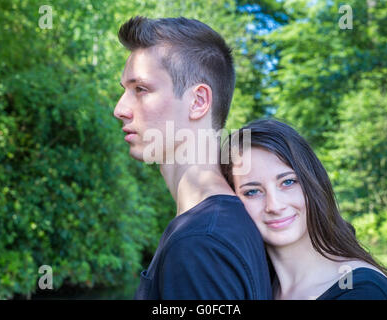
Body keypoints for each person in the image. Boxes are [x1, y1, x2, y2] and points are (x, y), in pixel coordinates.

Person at [113, 16, 272, 300]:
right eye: (124, 90)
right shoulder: (219, 226)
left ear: (198, 102)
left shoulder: (200, 242)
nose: (120, 108)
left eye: (141, 89)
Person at [221, 119, 387, 300]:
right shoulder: (249, 288)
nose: (274, 206)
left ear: (312, 183)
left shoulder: (362, 291)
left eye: (288, 182)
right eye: (252, 192)